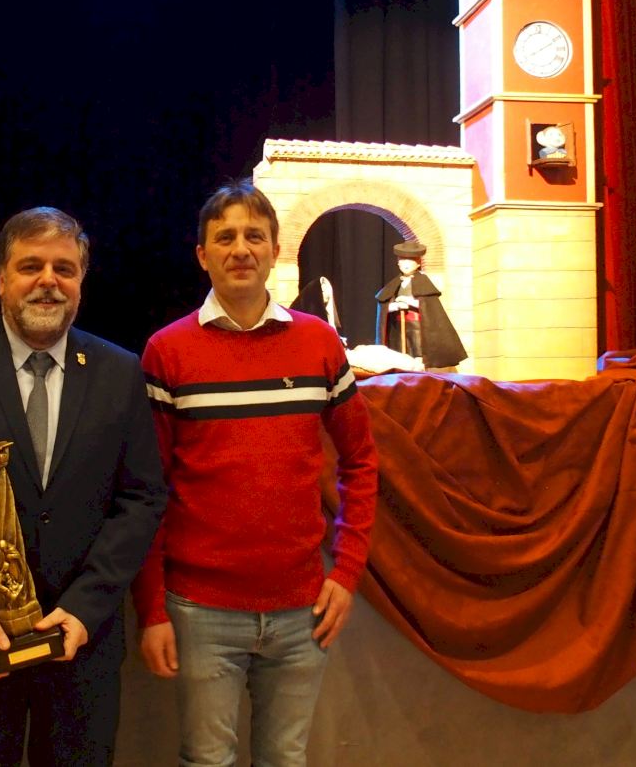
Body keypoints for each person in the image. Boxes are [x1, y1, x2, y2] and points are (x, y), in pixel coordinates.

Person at [0, 206, 166, 766]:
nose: (49, 280)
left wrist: (85, 608)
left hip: (81, 648)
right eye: (30, 266)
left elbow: (140, 499)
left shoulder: (120, 372)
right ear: (1, 278)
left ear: (81, 281)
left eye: (64, 269)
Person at [132, 180, 379, 766]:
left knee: (285, 760)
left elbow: (362, 461)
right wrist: (152, 608)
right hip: (200, 610)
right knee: (206, 761)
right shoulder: (166, 352)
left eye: (254, 236)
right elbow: (146, 491)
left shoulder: (319, 344)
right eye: (225, 237)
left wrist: (346, 571)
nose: (240, 248)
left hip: (302, 609)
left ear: (274, 250)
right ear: (203, 255)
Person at [374, 239, 467, 369]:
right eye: (402, 260)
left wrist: (410, 302)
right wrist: (393, 307)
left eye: (410, 260)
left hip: (417, 326)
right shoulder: (395, 283)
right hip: (398, 326)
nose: (405, 264)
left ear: (418, 263)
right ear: (398, 262)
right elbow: (384, 304)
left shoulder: (423, 282)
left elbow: (429, 306)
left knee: (417, 351)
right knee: (400, 352)